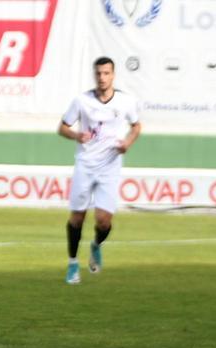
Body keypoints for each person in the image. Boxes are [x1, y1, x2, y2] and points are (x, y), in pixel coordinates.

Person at [58, 56, 141, 284]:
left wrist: (127, 143)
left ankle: (96, 245)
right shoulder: (81, 101)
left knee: (104, 221)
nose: (102, 78)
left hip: (110, 166)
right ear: (94, 75)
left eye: (106, 73)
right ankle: (73, 264)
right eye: (99, 74)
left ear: (113, 75)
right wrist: (76, 135)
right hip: (85, 163)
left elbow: (136, 126)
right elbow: (62, 127)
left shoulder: (125, 101)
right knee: (77, 217)